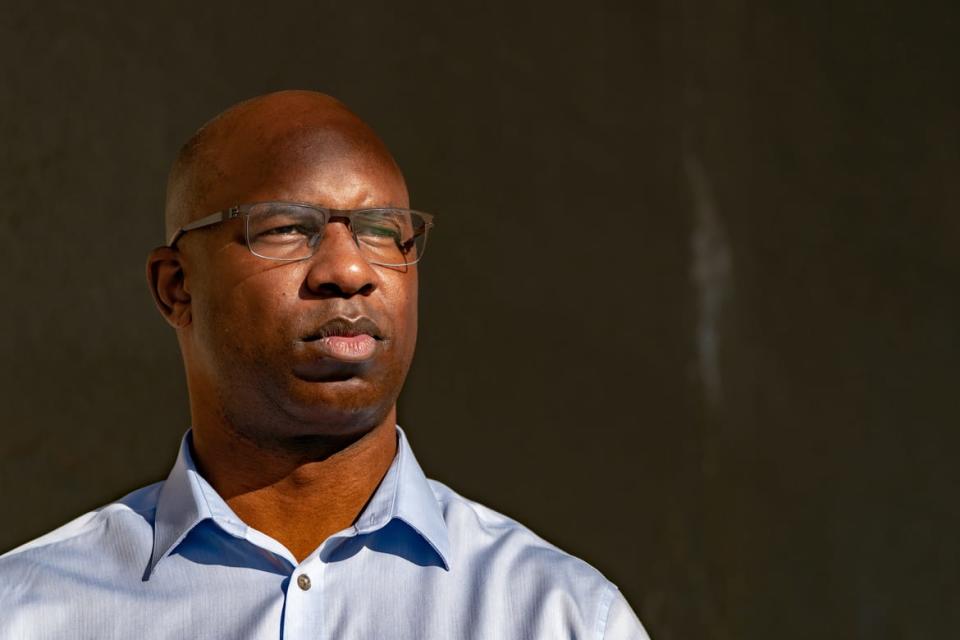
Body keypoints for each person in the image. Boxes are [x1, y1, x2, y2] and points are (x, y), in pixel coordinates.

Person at [0, 90, 649, 639]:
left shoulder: (558, 617)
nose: (350, 270)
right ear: (177, 288)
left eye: (381, 230)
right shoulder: (31, 613)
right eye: (286, 227)